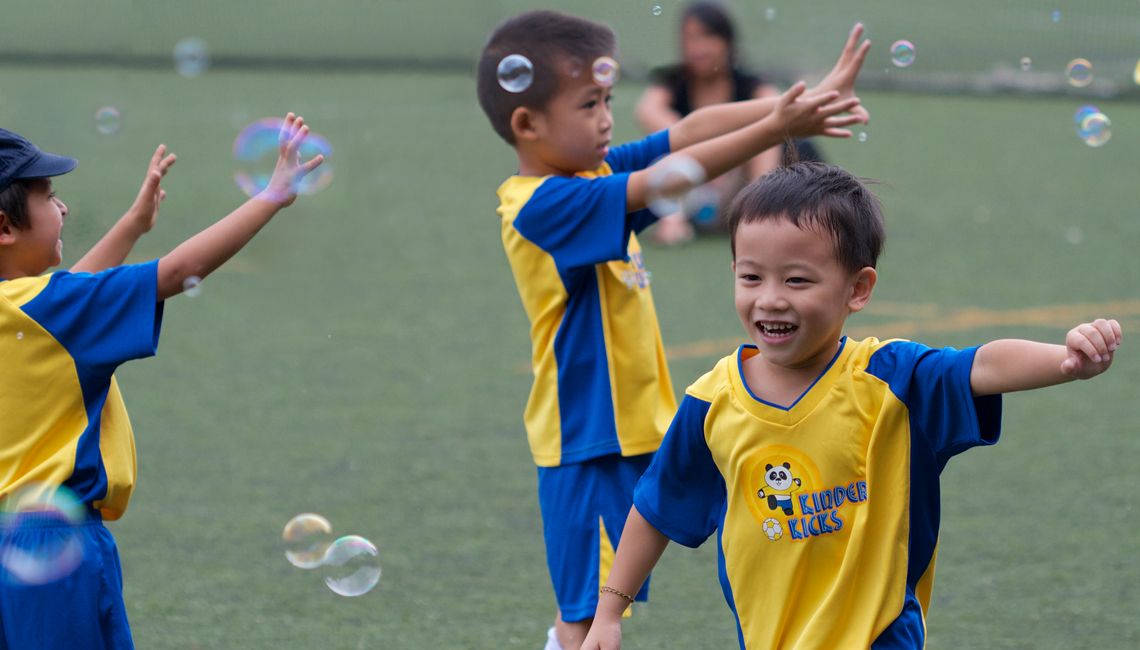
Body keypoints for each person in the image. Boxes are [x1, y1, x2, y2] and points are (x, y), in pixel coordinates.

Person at [580, 162, 1123, 650]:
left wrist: (1067, 361)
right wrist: (609, 611)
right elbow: (655, 507)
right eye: (751, 277)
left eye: (797, 279)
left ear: (858, 289)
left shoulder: (893, 380)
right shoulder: (711, 402)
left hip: (880, 635)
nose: (770, 297)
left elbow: (980, 365)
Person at [476, 11, 869, 650]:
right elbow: (669, 177)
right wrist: (776, 127)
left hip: (635, 422)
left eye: (606, 99)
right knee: (584, 613)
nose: (607, 117)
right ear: (528, 124)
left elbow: (685, 133)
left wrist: (795, 103)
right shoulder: (539, 204)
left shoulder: (589, 174)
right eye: (589, 104)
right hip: (588, 438)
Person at [0, 114, 322, 649]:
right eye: (48, 196)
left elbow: (70, 300)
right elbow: (174, 273)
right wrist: (272, 197)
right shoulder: (52, 310)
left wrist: (131, 224)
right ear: (4, 227)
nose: (62, 206)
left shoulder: (31, 315)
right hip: (58, 549)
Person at [635, 0, 824, 245]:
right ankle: (674, 224)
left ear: (727, 42)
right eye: (690, 38)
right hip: (697, 185)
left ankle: (758, 217)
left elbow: (780, 108)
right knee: (663, 148)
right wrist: (711, 155)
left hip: (743, 188)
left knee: (764, 138)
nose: (698, 47)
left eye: (707, 37)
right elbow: (647, 111)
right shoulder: (674, 82)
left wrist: (728, 155)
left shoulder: (747, 83)